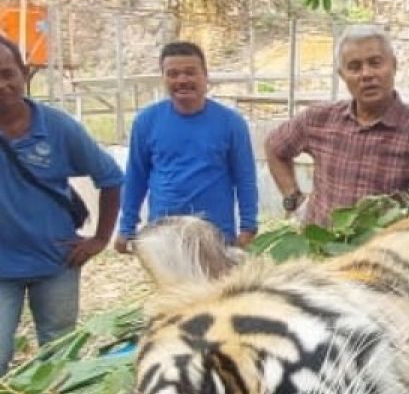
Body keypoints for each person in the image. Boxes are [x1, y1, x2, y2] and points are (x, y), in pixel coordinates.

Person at [265, 25, 409, 225]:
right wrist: (293, 201)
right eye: (354, 67)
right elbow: (275, 146)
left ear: (394, 66)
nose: (366, 74)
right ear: (342, 75)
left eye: (375, 63)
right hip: (320, 253)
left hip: (383, 255)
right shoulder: (319, 119)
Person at [0, 35, 122, 372]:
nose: (2, 85)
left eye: (7, 73)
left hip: (56, 263)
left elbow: (111, 178)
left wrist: (99, 239)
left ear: (24, 73)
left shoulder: (58, 128)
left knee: (58, 356)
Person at [115, 42, 258, 252]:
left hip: (215, 235)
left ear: (205, 76)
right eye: (172, 74)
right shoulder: (146, 121)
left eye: (190, 73)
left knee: (217, 286)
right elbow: (136, 177)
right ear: (163, 78)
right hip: (163, 236)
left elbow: (245, 178)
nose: (182, 80)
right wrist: (126, 227)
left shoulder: (231, 123)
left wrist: (248, 226)